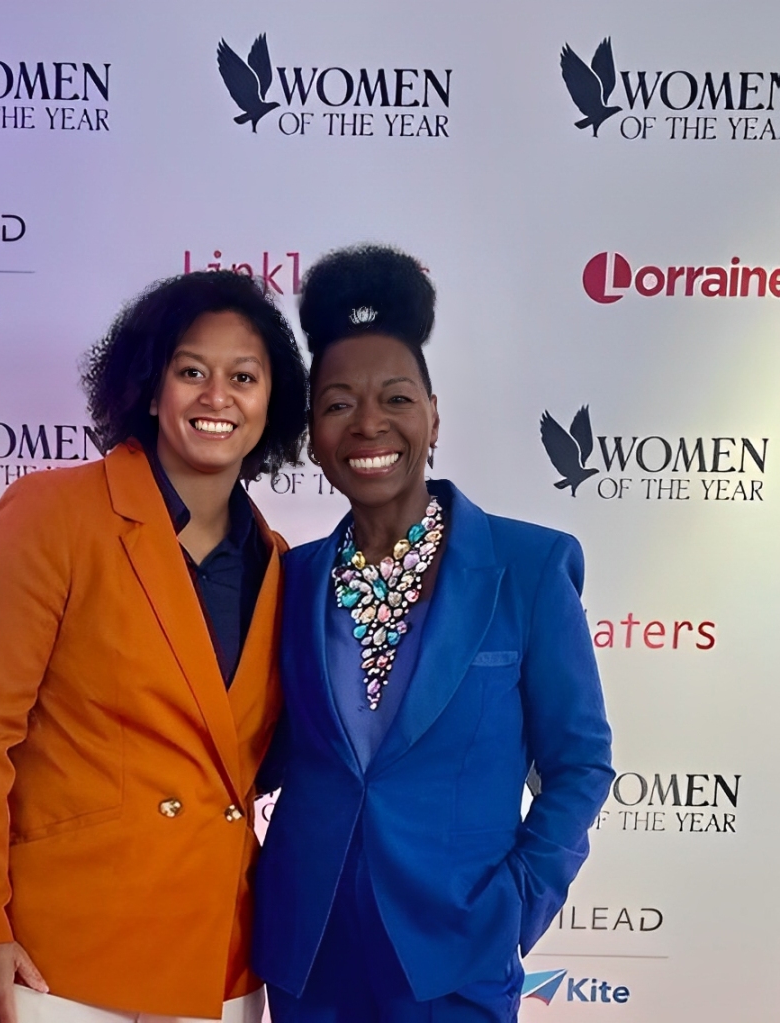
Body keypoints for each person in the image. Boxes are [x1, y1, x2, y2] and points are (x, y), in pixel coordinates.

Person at [0, 270, 308, 1023]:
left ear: (272, 403)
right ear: (150, 388)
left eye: (243, 377)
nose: (217, 396)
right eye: (191, 371)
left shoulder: (280, 563)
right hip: (61, 959)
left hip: (220, 959)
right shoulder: (53, 515)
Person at [253, 245, 614, 1023]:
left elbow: (579, 764)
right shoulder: (290, 577)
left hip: (455, 955)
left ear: (433, 415)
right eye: (337, 403)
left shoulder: (527, 566)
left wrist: (512, 906)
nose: (368, 423)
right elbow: (261, 751)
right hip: (308, 953)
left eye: (395, 397)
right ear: (312, 433)